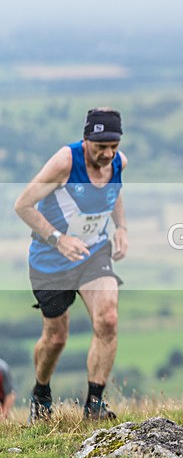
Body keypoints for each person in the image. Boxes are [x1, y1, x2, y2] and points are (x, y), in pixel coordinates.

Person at [14, 108, 128, 423]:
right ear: (85, 139)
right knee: (56, 338)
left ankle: (94, 406)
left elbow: (114, 193)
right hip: (51, 260)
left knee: (108, 318)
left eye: (113, 147)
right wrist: (58, 239)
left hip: (92, 253)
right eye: (99, 147)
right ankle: (41, 394)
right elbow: (22, 205)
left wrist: (121, 228)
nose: (107, 154)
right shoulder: (65, 162)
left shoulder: (118, 162)